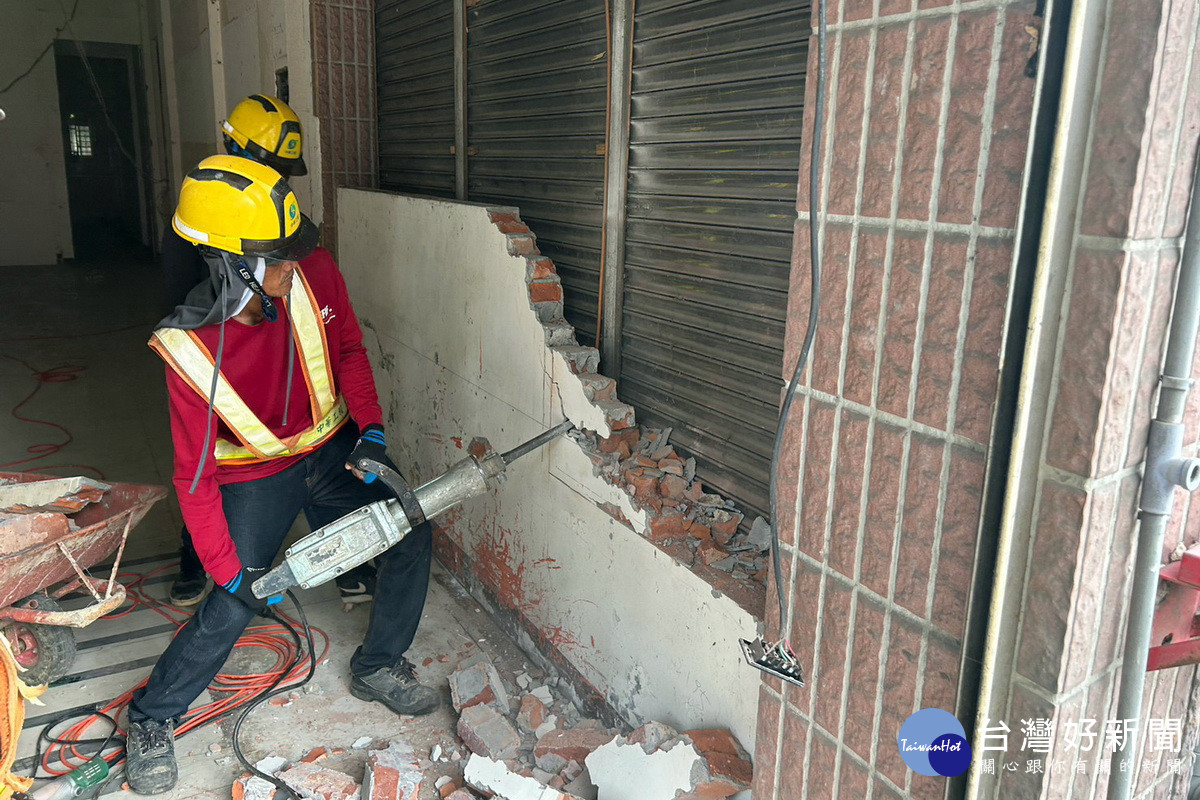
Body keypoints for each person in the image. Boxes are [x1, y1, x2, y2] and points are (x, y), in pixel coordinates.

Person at [126, 155, 439, 795]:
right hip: (253, 479)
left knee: (409, 533)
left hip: (332, 450)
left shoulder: (314, 271)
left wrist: (371, 428)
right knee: (234, 603)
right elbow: (194, 478)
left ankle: (378, 664)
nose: (298, 267)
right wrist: (226, 567)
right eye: (281, 259)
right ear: (231, 264)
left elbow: (348, 347)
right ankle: (152, 718)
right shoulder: (188, 350)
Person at [159, 94, 374, 608]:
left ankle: (347, 564)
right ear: (232, 145)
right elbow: (184, 324)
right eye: (265, 163)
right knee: (201, 460)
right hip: (214, 368)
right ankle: (194, 560)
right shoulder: (203, 227)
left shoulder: (270, 217)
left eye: (280, 170)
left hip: (285, 389)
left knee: (323, 456)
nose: (273, 176)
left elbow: (337, 340)